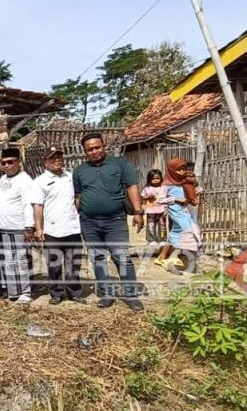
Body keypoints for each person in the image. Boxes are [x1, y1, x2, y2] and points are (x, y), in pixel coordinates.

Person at [72, 133, 145, 311]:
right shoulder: (80, 171)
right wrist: (82, 213)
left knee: (121, 257)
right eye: (90, 149)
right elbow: (77, 196)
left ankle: (131, 295)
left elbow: (131, 187)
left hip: (115, 221)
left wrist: (138, 211)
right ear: (85, 151)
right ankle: (106, 294)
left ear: (103, 145)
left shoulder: (119, 164)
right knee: (98, 258)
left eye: (97, 147)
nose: (94, 151)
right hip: (89, 222)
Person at [32, 146, 84, 304]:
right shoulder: (40, 181)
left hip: (72, 227)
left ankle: (74, 293)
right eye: (52, 158)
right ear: (45, 162)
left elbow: (76, 198)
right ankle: (56, 293)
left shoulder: (70, 176)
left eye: (59, 157)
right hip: (52, 229)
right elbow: (38, 206)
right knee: (54, 265)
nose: (57, 160)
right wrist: (39, 228)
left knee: (73, 263)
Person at [0, 148, 42, 303]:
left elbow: (28, 205)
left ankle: (25, 292)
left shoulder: (24, 180)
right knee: (8, 260)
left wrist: (29, 227)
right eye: (4, 163)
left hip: (19, 227)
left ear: (19, 162)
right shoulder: (3, 179)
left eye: (10, 162)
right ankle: (13, 291)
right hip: (4, 228)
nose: (7, 165)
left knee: (21, 260)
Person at [155, 158, 203, 273]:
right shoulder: (166, 184)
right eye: (178, 170)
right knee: (189, 230)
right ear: (172, 170)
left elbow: (192, 192)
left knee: (176, 233)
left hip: (186, 210)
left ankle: (161, 257)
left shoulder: (185, 181)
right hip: (176, 210)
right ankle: (175, 258)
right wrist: (176, 199)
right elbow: (160, 200)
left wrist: (194, 191)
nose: (182, 172)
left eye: (183, 169)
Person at [141, 169, 168, 246]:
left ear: (161, 178)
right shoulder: (147, 188)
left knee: (162, 226)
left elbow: (166, 198)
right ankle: (151, 240)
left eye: (157, 178)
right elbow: (142, 197)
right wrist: (148, 197)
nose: (155, 180)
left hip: (161, 210)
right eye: (153, 178)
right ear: (149, 179)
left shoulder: (164, 188)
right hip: (151, 211)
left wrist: (166, 209)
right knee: (151, 225)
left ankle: (162, 239)